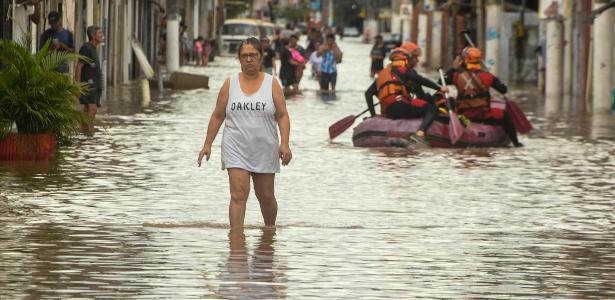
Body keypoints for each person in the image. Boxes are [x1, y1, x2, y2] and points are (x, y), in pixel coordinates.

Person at [197, 37, 292, 229]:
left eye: (253, 55)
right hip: (235, 148)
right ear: (239, 59)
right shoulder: (230, 83)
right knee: (238, 195)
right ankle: (236, 243)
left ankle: (269, 232)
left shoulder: (271, 83)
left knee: (265, 196)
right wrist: (207, 144)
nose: (249, 59)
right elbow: (217, 116)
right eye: (244, 56)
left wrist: (285, 143)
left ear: (261, 57)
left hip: (264, 148)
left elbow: (282, 116)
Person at [364, 42, 448, 146]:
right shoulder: (406, 71)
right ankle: (420, 134)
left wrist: (373, 115)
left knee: (419, 105)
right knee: (432, 109)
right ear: (407, 58)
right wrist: (439, 88)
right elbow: (421, 81)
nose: (417, 60)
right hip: (401, 105)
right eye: (415, 58)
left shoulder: (383, 73)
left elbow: (368, 93)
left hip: (389, 110)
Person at [443, 47, 523, 147]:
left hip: (464, 115)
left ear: (464, 61)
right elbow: (503, 89)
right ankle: (516, 143)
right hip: (483, 114)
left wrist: (453, 68)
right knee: (505, 115)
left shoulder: (455, 75)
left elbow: (441, 81)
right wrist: (493, 78)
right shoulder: (488, 76)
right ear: (479, 61)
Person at [75, 26, 104, 133]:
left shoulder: (93, 48)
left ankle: (86, 133)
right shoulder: (86, 48)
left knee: (91, 109)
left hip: (95, 86)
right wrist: (77, 86)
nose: (102, 35)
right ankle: (88, 133)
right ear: (93, 35)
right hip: (89, 85)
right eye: (99, 33)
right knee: (91, 109)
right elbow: (79, 66)